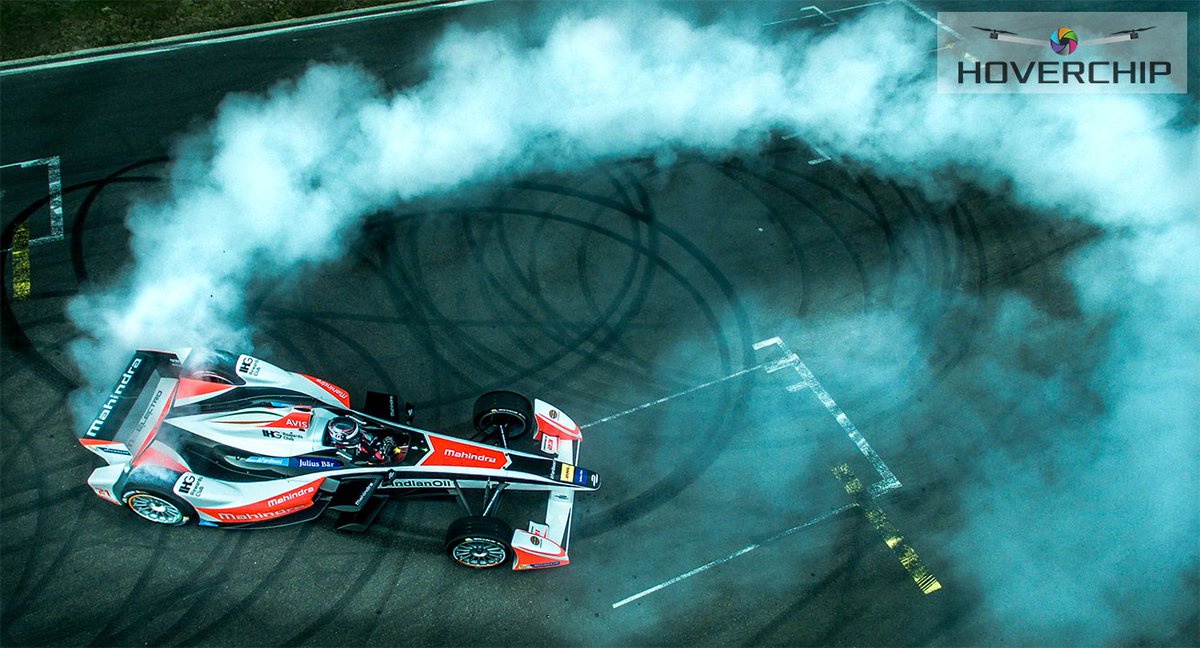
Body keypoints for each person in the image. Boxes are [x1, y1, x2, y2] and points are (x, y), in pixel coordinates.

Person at [326, 416, 406, 465]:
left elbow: (365, 423)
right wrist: (376, 458)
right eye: (355, 436)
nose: (358, 436)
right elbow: (358, 463)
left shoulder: (348, 420)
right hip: (378, 459)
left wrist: (380, 439)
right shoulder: (339, 452)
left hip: (382, 443)